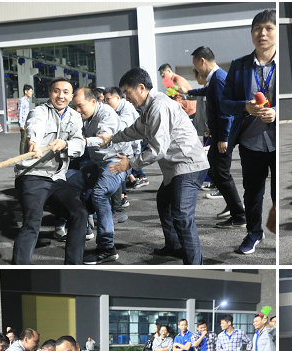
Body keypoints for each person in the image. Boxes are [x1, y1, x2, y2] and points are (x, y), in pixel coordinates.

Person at [99, 67, 209, 265]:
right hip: (175, 166)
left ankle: (195, 265)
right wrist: (112, 138)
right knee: (164, 201)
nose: (126, 98)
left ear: (141, 88)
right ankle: (174, 246)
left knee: (182, 217)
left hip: (188, 165)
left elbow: (157, 149)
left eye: (127, 92)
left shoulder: (159, 106)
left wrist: (130, 163)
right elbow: (136, 130)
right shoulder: (150, 107)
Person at [219, 8, 277, 255]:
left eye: (268, 28)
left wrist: (277, 113)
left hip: (278, 141)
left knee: (278, 192)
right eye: (257, 29)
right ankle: (254, 232)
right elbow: (224, 103)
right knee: (253, 192)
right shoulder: (239, 66)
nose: (262, 33)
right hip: (251, 141)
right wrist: (244, 106)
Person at [12, 78, 88, 265]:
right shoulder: (39, 111)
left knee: (79, 213)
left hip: (57, 178)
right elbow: (34, 127)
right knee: (32, 222)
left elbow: (79, 144)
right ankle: (19, 272)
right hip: (33, 176)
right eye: (56, 91)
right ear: (49, 93)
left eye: (65, 92)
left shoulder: (74, 116)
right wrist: (33, 142)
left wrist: (66, 144)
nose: (61, 96)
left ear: (71, 96)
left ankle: (74, 267)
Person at [69, 87, 134, 264]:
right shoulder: (84, 117)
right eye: (75, 107)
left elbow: (104, 138)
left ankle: (107, 248)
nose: (77, 110)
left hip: (119, 162)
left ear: (93, 102)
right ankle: (83, 226)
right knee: (68, 185)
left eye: (80, 106)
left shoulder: (106, 113)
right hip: (99, 163)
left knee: (99, 194)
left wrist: (80, 142)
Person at [186, 46, 246, 229]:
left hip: (223, 135)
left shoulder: (218, 79)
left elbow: (225, 112)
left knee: (220, 172)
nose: (196, 69)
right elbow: (207, 92)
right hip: (220, 134)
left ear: (202, 61)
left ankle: (239, 215)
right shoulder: (216, 78)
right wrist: (188, 93)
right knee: (216, 170)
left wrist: (224, 138)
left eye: (196, 65)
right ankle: (234, 206)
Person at [18, 84, 34, 154]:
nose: (31, 93)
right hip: (24, 124)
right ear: (25, 91)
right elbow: (20, 112)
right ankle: (21, 156)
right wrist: (21, 124)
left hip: (27, 123)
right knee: (23, 140)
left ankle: (26, 154)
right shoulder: (22, 100)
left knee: (28, 139)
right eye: (30, 91)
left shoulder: (27, 100)